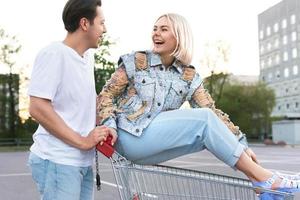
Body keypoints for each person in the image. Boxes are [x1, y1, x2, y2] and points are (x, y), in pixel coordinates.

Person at [96, 12, 300, 196]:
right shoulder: (136, 62)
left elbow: (213, 112)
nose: (156, 34)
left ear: (179, 36)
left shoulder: (188, 76)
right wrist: (110, 125)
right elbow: (105, 95)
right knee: (203, 121)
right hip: (129, 135)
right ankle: (266, 179)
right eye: (155, 29)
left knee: (207, 132)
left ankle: (258, 180)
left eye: (164, 29)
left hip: (151, 143)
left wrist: (241, 144)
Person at [27, 0, 114, 199]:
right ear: (85, 24)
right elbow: (37, 107)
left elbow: (86, 100)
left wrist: (104, 123)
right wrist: (83, 142)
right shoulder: (54, 54)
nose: (105, 29)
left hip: (81, 162)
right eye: (101, 23)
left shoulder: (87, 57)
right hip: (58, 160)